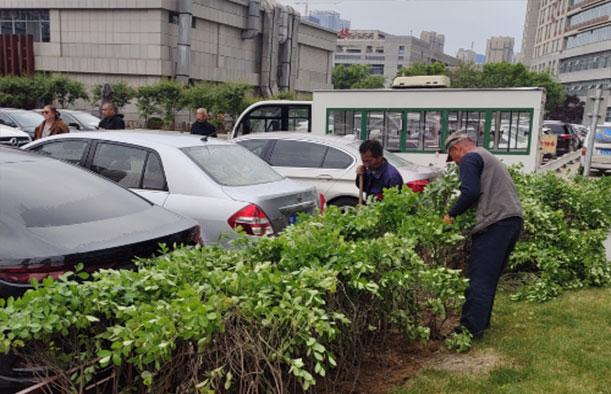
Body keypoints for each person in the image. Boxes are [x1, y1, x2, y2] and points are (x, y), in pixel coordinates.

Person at [442, 132, 523, 339]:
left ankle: (468, 330)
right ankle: (479, 325)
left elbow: (470, 192)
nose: (456, 164)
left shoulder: (470, 158)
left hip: (496, 223)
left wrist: (450, 214)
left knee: (478, 279)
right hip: (511, 220)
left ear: (457, 149)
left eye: (453, 158)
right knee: (488, 278)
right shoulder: (486, 155)